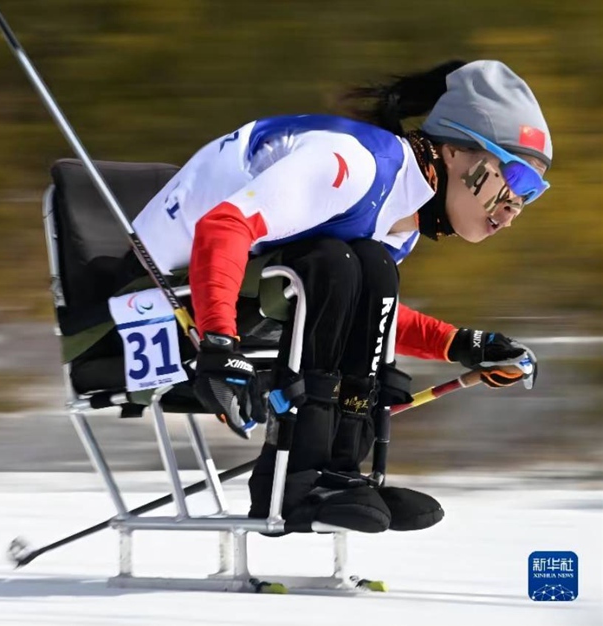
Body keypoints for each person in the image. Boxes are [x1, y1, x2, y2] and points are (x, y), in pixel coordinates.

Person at [125, 59, 547, 533]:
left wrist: (463, 344)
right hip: (147, 303)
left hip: (230, 295)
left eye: (532, 195)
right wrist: (220, 343)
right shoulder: (353, 166)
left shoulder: (397, 221)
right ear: (454, 153)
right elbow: (225, 227)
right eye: (517, 181)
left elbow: (360, 311)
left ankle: (340, 473)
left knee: (371, 268)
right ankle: (292, 479)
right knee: (336, 263)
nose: (513, 210)